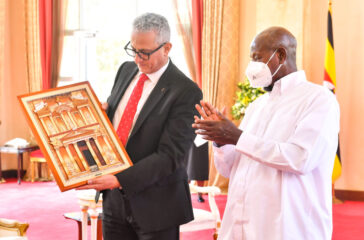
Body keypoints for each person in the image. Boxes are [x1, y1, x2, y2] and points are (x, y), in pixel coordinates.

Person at [192, 26, 340, 240]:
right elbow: (229, 169)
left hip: (288, 228)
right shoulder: (256, 106)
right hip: (241, 226)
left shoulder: (318, 99)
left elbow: (300, 158)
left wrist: (236, 136)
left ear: (280, 55)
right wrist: (221, 141)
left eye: (257, 58)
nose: (251, 67)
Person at [78, 13, 202, 240]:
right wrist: (101, 116)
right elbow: (119, 125)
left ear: (167, 48)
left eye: (145, 52)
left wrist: (120, 179)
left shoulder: (186, 91)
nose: (137, 58)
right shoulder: (125, 71)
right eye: (133, 49)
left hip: (156, 206)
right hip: (114, 201)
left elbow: (170, 156)